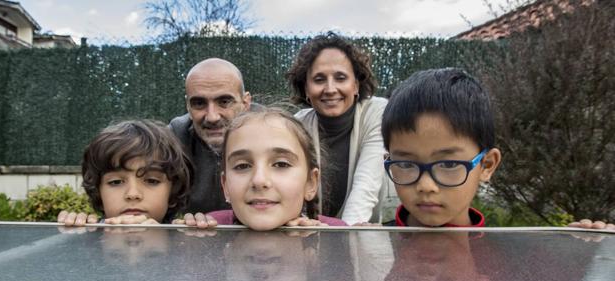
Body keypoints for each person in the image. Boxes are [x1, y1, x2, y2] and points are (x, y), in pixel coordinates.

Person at [177, 108, 346, 230]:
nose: (259, 180)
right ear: (225, 185)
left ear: (311, 183)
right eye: (242, 166)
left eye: (281, 164)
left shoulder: (339, 235)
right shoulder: (210, 229)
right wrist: (186, 246)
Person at [286, 32, 388, 225]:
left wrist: (346, 237)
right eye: (319, 79)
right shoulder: (296, 125)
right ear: (306, 89)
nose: (330, 89)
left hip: (358, 236)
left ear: (356, 85)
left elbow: (366, 186)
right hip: (309, 234)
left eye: (340, 78)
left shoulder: (376, 113)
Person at [381, 68, 502, 227]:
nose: (425, 186)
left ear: (486, 165)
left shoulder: (503, 251)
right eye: (405, 164)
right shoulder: (370, 248)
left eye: (448, 164)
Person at [58, 120, 192, 225]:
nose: (132, 194)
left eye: (152, 181)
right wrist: (74, 233)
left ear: (173, 191)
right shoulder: (88, 237)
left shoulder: (185, 242)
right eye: (116, 182)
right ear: (98, 192)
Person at [169, 58, 252, 214]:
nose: (212, 117)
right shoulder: (173, 139)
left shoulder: (276, 134)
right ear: (188, 106)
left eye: (224, 101)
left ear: (246, 103)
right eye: (199, 103)